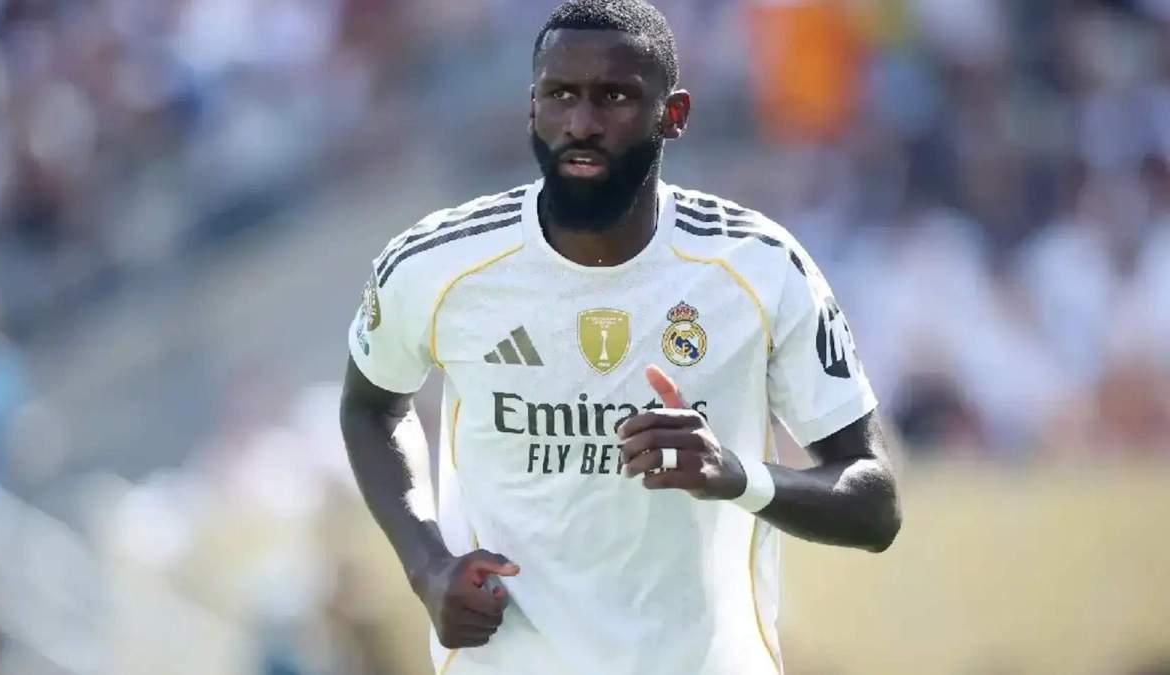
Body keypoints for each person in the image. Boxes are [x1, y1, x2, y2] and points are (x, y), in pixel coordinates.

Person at [339, 2, 901, 673]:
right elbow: (371, 404)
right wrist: (427, 565)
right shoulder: (437, 264)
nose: (582, 122)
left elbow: (875, 502)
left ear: (676, 114)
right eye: (561, 95)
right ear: (532, 107)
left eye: (616, 97)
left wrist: (736, 475)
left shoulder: (760, 267)